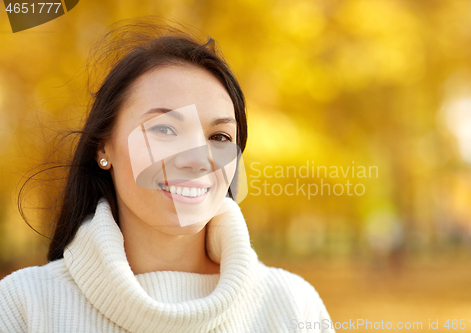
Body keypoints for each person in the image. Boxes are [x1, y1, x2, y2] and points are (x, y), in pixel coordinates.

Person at [0, 17, 332, 333]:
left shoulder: (293, 306)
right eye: (164, 128)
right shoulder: (23, 307)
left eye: (219, 137)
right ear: (104, 148)